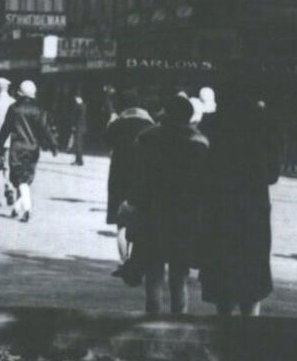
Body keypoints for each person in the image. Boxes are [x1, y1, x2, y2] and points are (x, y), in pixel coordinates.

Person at [128, 94, 211, 317]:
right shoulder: (199, 143)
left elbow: (138, 176)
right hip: (185, 215)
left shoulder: (147, 138)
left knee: (153, 273)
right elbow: (203, 184)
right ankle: (179, 320)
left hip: (153, 213)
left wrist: (133, 202)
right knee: (179, 275)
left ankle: (152, 319)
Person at [201, 94, 280, 315]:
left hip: (219, 205)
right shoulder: (265, 124)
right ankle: (249, 327)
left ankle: (223, 324)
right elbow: (273, 174)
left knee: (222, 272)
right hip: (253, 206)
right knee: (252, 272)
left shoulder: (211, 123)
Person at [105, 90, 155, 250]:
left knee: (121, 221)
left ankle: (123, 257)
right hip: (142, 175)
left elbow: (107, 139)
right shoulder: (150, 125)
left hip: (119, 174)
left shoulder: (118, 123)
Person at [0, 79, 53, 221]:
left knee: (19, 180)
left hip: (17, 148)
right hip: (33, 148)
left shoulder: (13, 108)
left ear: (19, 93)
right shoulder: (39, 109)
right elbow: (44, 129)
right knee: (26, 179)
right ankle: (17, 208)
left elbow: (5, 129)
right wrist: (52, 145)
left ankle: (27, 209)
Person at [70, 93, 89, 165]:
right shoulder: (82, 106)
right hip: (81, 127)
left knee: (78, 144)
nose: (75, 100)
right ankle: (78, 160)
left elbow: (79, 118)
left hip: (79, 128)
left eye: (76, 99)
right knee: (78, 144)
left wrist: (75, 126)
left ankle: (79, 160)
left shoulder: (81, 106)